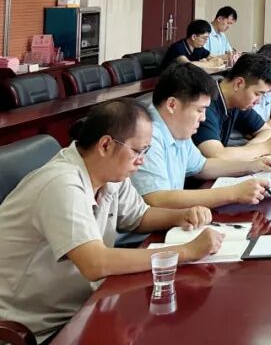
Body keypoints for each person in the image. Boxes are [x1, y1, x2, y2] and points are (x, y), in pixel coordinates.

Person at [0, 100, 223, 340]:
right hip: (38, 327)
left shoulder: (110, 175)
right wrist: (187, 252)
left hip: (86, 305)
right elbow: (95, 263)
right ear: (105, 145)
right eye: (138, 151)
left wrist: (181, 215)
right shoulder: (61, 184)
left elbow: (139, 217)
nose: (142, 160)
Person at [131, 63, 271, 208]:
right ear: (172, 105)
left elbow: (202, 167)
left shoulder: (177, 128)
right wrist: (233, 193)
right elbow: (157, 199)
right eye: (199, 110)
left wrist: (250, 166)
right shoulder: (147, 135)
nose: (203, 118)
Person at [192, 54, 271, 160]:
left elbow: (267, 131)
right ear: (238, 83)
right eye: (257, 94)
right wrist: (265, 148)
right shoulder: (206, 103)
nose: (258, 101)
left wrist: (248, 151)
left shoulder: (237, 102)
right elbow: (216, 155)